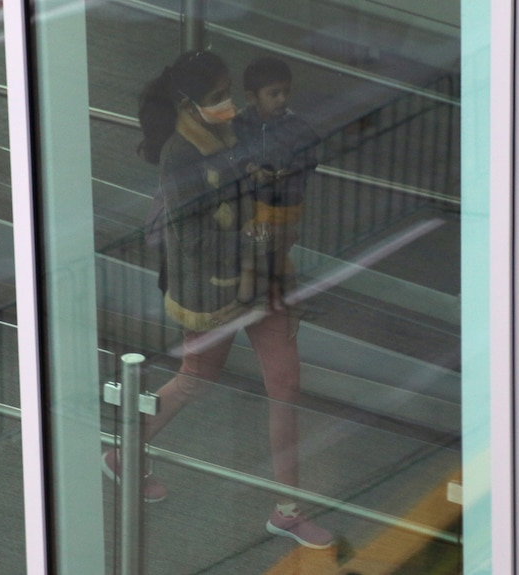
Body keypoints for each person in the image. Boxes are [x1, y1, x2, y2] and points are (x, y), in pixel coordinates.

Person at [103, 50, 333, 550]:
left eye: (227, 93)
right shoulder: (179, 156)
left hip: (263, 280)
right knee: (194, 381)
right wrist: (257, 240)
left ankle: (288, 510)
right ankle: (124, 452)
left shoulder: (234, 133)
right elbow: (194, 240)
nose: (227, 104)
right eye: (216, 98)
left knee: (285, 385)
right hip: (215, 292)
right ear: (187, 104)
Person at [232, 56, 321, 310]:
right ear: (252, 97)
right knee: (255, 249)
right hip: (254, 202)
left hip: (285, 203)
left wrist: (287, 174)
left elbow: (309, 159)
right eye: (274, 94)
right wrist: (249, 168)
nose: (283, 99)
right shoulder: (240, 124)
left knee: (276, 251)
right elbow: (232, 152)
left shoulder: (296, 127)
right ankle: (257, 295)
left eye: (285, 92)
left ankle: (264, 296)